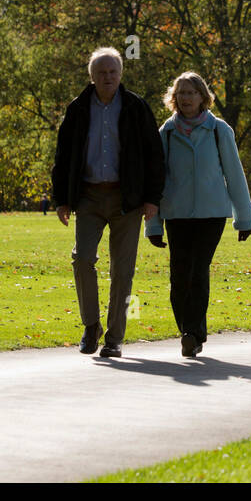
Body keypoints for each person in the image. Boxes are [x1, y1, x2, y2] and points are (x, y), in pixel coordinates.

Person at [51, 47, 165, 358]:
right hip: (88, 196)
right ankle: (91, 327)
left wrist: (152, 199)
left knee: (123, 271)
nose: (108, 77)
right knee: (83, 258)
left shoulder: (135, 107)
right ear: (92, 77)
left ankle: (115, 338)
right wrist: (62, 199)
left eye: (113, 71)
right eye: (101, 72)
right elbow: (63, 156)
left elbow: (154, 155)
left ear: (120, 74)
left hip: (127, 199)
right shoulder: (78, 109)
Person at [144, 72, 251, 358]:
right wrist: (153, 226)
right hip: (177, 214)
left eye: (192, 92)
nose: (186, 98)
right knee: (179, 275)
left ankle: (193, 333)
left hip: (211, 214)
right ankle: (188, 330)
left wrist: (244, 218)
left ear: (202, 96)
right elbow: (155, 181)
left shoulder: (219, 130)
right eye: (181, 93)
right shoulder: (165, 133)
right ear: (174, 98)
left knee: (197, 269)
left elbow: (235, 175)